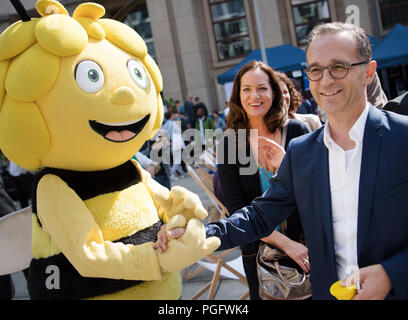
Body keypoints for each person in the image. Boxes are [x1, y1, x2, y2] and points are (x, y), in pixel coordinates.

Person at [157, 22, 408, 300]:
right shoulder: (302, 152)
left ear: (368, 72)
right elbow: (258, 215)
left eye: (339, 67)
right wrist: (198, 234)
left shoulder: (402, 137)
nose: (325, 80)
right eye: (315, 69)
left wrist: (391, 273)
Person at [213, 61, 310, 300]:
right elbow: (237, 209)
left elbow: (316, 191)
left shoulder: (297, 131)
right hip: (258, 251)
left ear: (274, 92)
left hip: (306, 246)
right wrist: (285, 244)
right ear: (238, 96)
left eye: (262, 88)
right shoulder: (230, 144)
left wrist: (285, 165)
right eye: (246, 89)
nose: (254, 96)